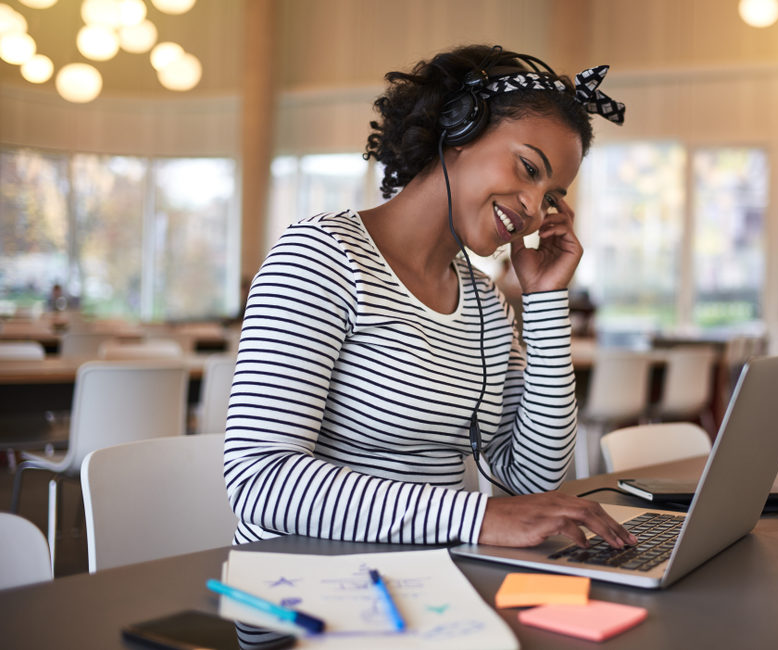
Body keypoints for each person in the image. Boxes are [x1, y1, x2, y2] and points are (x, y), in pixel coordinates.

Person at [223, 44, 636, 551]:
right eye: (529, 169)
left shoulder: (485, 303)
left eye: (551, 197)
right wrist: (477, 518)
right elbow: (259, 480)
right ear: (459, 129)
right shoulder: (321, 256)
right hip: (306, 586)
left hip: (432, 582)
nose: (533, 208)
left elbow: (532, 484)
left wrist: (546, 302)